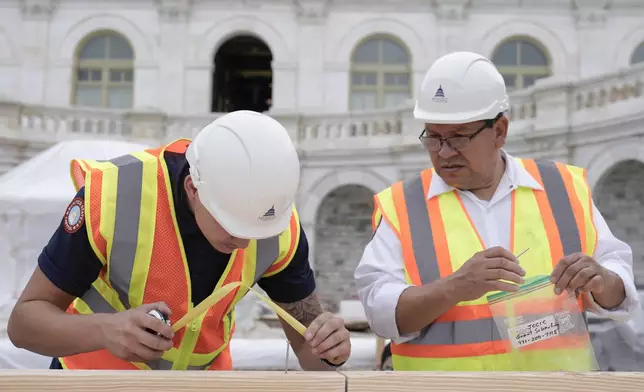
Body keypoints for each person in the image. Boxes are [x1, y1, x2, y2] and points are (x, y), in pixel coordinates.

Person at [354, 51, 640, 371]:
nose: (443, 153)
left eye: (458, 137)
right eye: (433, 137)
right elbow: (380, 314)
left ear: (500, 131)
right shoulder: (402, 206)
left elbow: (621, 296)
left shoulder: (564, 189)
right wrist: (457, 286)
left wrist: (601, 280)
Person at [8, 110, 351, 371]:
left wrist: (330, 348)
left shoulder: (274, 222)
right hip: (95, 382)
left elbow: (311, 352)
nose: (244, 245)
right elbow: (23, 324)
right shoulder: (112, 198)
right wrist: (105, 330)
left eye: (255, 231)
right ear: (193, 189)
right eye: (232, 226)